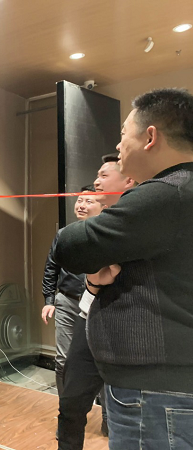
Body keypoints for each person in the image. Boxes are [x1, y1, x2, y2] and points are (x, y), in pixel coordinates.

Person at [55, 88, 193, 450]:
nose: (118, 145)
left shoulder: (167, 193)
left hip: (155, 392)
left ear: (151, 137)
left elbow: (69, 246)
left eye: (122, 134)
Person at [57, 155, 136, 449]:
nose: (96, 181)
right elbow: (88, 273)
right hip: (87, 318)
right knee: (71, 401)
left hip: (127, 324)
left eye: (104, 175)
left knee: (124, 408)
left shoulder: (139, 223)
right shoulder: (94, 228)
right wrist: (93, 283)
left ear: (128, 181)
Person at [41, 185, 104, 397]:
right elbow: (51, 267)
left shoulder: (108, 234)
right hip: (67, 301)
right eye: (79, 200)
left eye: (89, 201)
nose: (81, 205)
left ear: (103, 206)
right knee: (63, 359)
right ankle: (66, 410)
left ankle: (106, 414)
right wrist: (49, 300)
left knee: (101, 359)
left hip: (99, 303)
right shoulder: (64, 235)